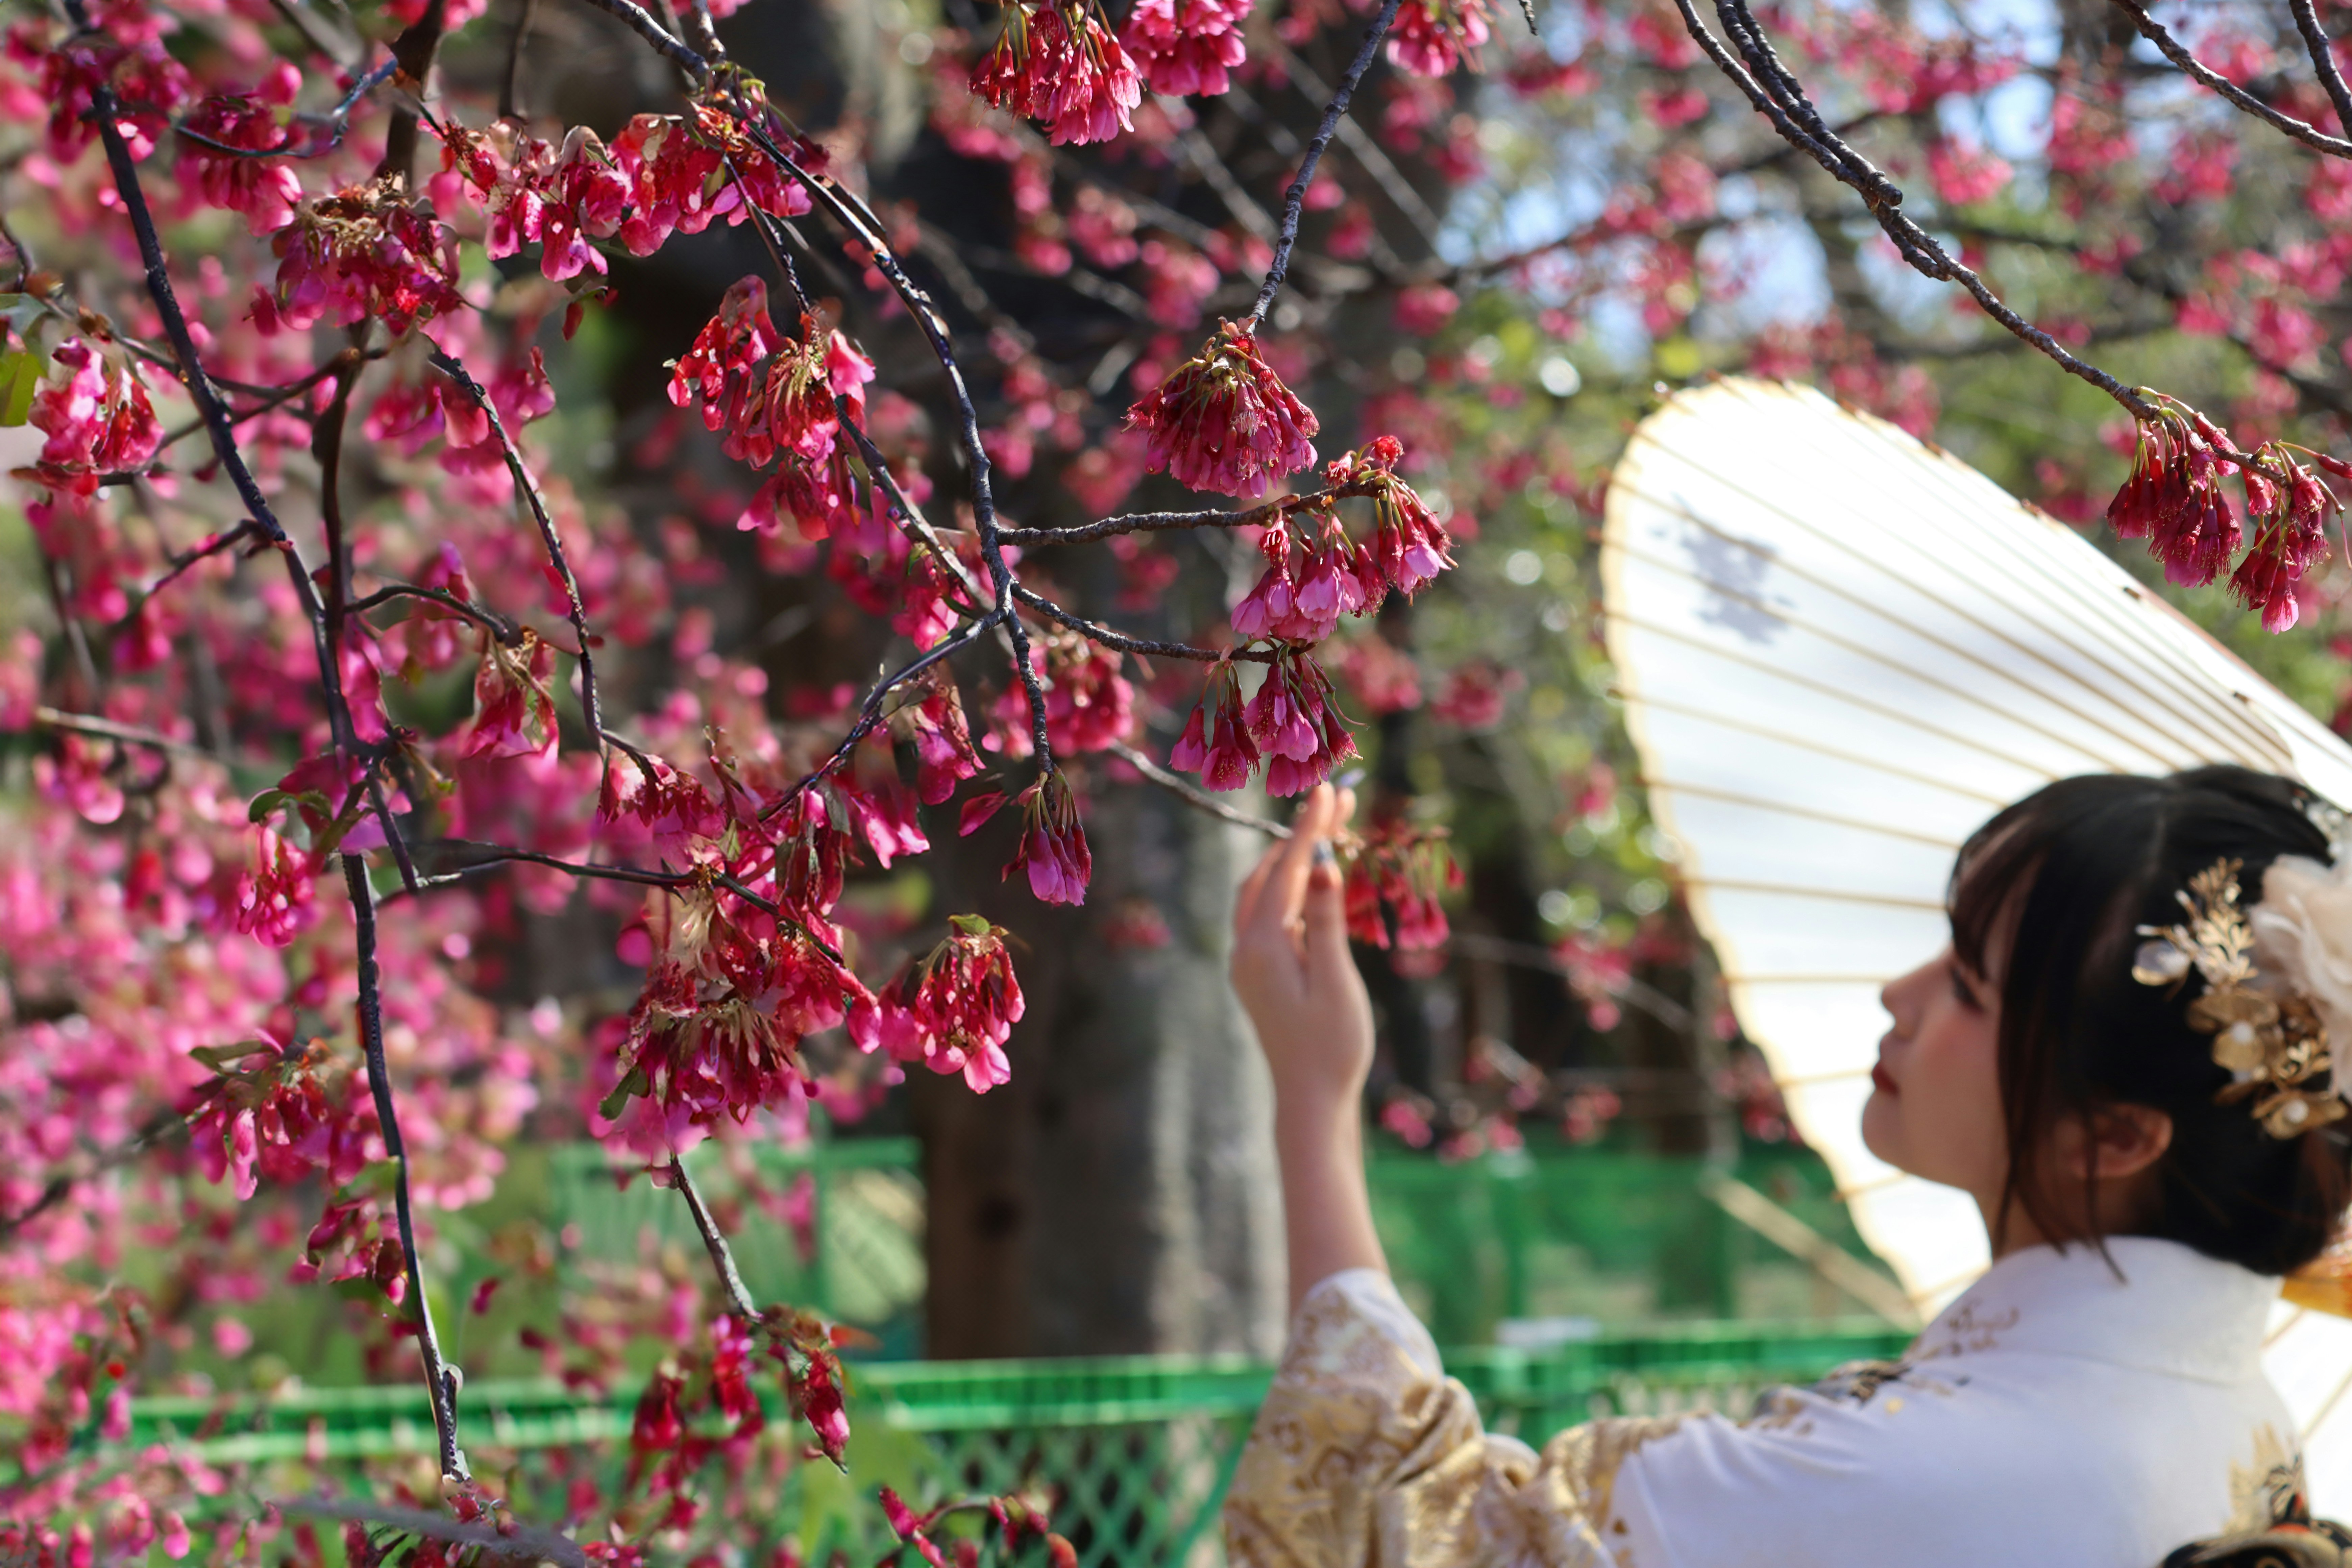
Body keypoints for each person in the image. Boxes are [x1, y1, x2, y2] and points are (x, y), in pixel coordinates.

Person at [1223, 771, 2352, 1568]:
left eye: (1967, 985)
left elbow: (1403, 1530)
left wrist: (1316, 1100)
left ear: (2112, 1136)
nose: (1899, 995)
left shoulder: (1904, 1477)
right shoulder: (2240, 1414)